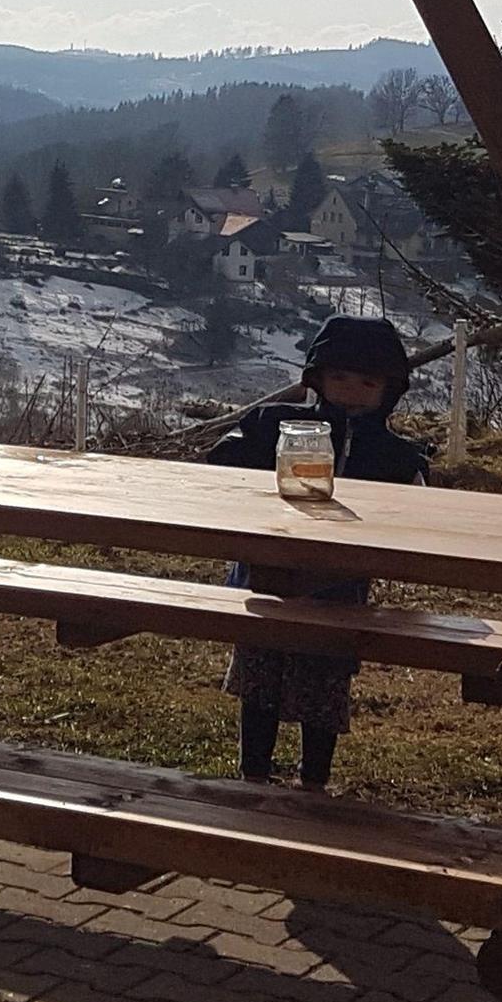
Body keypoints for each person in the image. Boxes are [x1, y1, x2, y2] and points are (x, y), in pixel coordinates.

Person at [207, 313, 429, 787]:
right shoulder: (275, 426)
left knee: (324, 683)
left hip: (339, 588)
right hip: (266, 576)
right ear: (317, 379)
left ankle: (314, 780)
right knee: (260, 676)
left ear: (388, 390)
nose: (351, 390)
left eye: (367, 382)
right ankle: (253, 773)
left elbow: (420, 510)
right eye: (340, 377)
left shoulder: (395, 454)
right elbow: (221, 464)